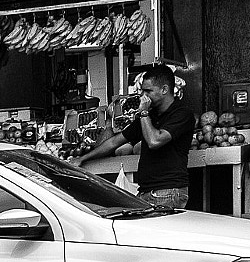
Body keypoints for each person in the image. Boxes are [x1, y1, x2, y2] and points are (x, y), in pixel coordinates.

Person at [77, 63, 196, 210]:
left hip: (168, 191)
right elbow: (114, 142)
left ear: (164, 89)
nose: (143, 96)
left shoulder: (181, 114)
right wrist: (82, 159)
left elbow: (154, 141)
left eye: (148, 91)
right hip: (147, 191)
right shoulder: (151, 116)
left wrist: (144, 113)